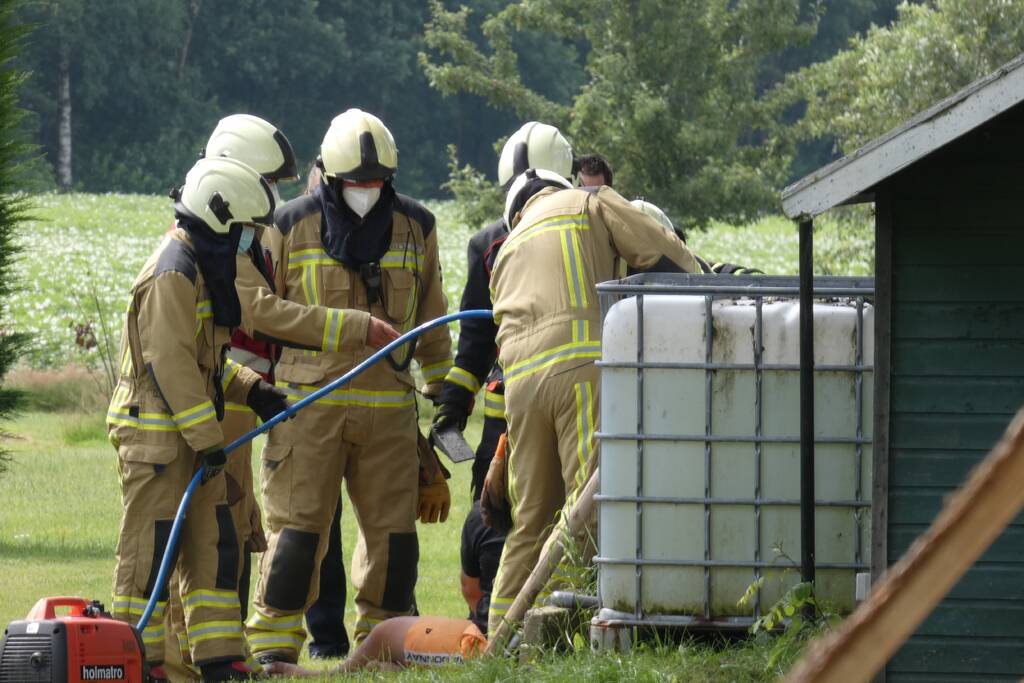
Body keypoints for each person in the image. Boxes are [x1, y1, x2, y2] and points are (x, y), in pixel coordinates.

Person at [247, 108, 454, 664]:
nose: (368, 192)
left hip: (389, 415)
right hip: (307, 413)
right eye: (357, 184)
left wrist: (445, 408)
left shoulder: (418, 227)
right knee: (295, 540)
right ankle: (272, 654)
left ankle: (382, 654)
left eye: (378, 182)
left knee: (395, 546)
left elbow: (432, 320)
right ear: (329, 177)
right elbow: (261, 314)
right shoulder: (289, 225)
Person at [485, 169, 700, 635]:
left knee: (531, 518)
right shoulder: (588, 201)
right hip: (580, 370)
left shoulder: (506, 249)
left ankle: (498, 639)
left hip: (520, 391)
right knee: (585, 509)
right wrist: (706, 280)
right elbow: (666, 256)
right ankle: (557, 634)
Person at [434, 121, 575, 503]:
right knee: (497, 525)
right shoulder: (487, 245)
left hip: (573, 404)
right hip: (503, 420)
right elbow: (477, 339)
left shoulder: (587, 232)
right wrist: (453, 404)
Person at [263, 616, 486, 677]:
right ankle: (391, 669)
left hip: (470, 644)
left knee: (341, 673)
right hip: (471, 638)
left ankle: (391, 669)